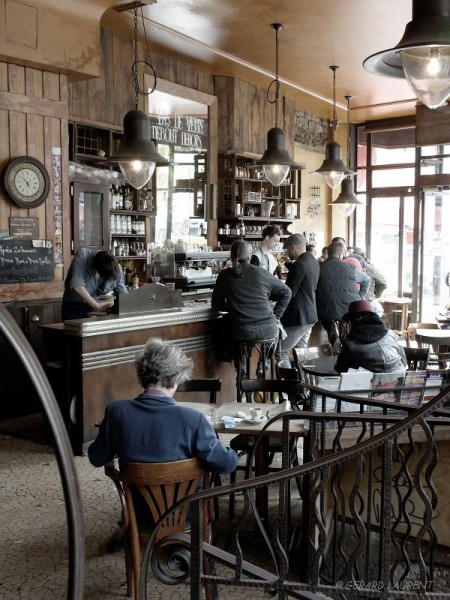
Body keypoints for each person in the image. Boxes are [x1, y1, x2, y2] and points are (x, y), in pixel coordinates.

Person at [88, 337, 238, 473]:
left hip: (135, 501)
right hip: (184, 501)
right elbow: (227, 464)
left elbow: (96, 458)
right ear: (175, 379)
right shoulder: (193, 420)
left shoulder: (116, 412)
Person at [212, 239, 291, 372]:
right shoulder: (261, 272)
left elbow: (216, 305)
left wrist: (235, 307)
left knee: (226, 325)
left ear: (231, 256)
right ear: (249, 256)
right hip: (269, 329)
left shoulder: (224, 275)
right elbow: (287, 292)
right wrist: (276, 315)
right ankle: (263, 363)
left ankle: (241, 368)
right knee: (270, 334)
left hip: (244, 331)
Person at [316, 242, 370, 350]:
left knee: (326, 316)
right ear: (341, 254)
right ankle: (349, 342)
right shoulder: (350, 268)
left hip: (326, 309)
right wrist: (360, 297)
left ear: (328, 253)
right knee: (351, 322)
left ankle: (334, 335)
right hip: (349, 308)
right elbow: (366, 280)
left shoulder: (318, 268)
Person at [277, 233, 320, 367]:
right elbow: (303, 279)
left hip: (298, 317)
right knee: (301, 353)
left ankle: (288, 385)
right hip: (310, 315)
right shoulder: (313, 261)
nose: (287, 253)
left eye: (288, 249)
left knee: (280, 352)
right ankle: (303, 384)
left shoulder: (299, 264)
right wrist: (290, 265)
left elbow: (289, 292)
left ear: (293, 247)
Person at [334, 300, 407, 374]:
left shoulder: (350, 344)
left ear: (352, 321)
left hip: (371, 383)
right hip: (399, 378)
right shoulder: (391, 334)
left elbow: (341, 368)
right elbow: (403, 361)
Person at [61, 248, 128, 320]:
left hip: (94, 307)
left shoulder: (116, 268)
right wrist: (98, 306)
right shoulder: (83, 255)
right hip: (73, 307)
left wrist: (130, 304)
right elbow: (77, 286)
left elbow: (122, 292)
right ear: (97, 271)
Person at [353, 247, 388, 317]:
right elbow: (383, 283)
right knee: (378, 311)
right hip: (368, 298)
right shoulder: (370, 268)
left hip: (352, 299)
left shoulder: (347, 267)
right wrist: (376, 295)